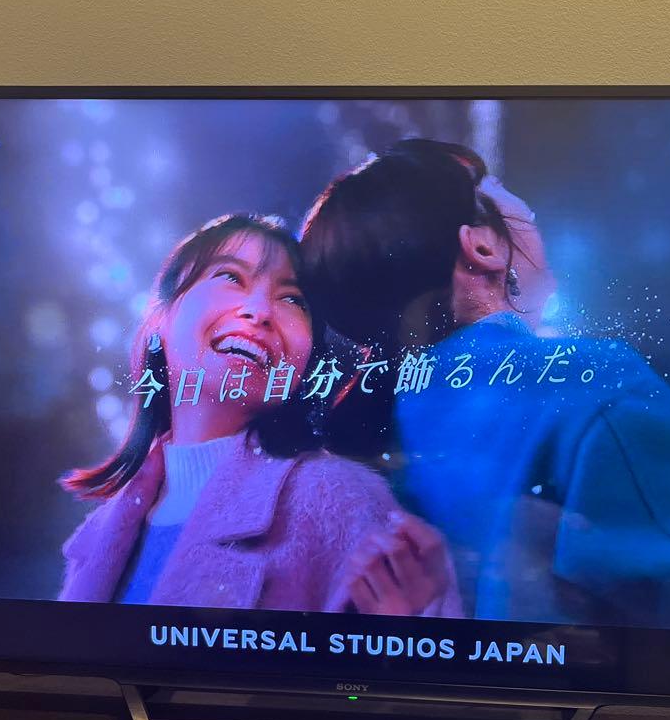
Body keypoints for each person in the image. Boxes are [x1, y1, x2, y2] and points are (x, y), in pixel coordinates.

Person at [301, 139, 670, 632]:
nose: (530, 214)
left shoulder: (375, 433)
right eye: (502, 193)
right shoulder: (593, 381)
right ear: (483, 247)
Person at [60, 212, 462, 618]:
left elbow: (426, 646)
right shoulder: (101, 529)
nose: (260, 311)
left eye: (292, 299)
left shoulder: (338, 500)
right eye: (230, 277)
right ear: (160, 318)